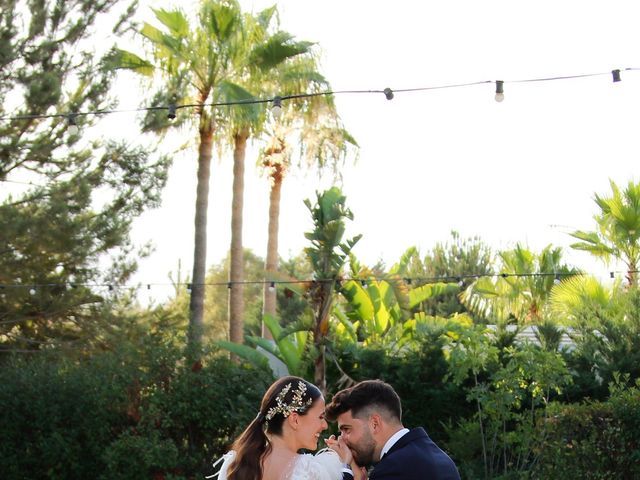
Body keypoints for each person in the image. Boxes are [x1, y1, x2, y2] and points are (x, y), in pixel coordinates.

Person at [211, 376, 361, 480]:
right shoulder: (311, 471)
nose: (325, 425)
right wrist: (345, 464)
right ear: (295, 420)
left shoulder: (234, 464)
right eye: (320, 417)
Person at [325, 379, 461, 480]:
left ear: (375, 424)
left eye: (347, 429)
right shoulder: (442, 459)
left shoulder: (393, 469)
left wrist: (345, 468)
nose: (342, 439)